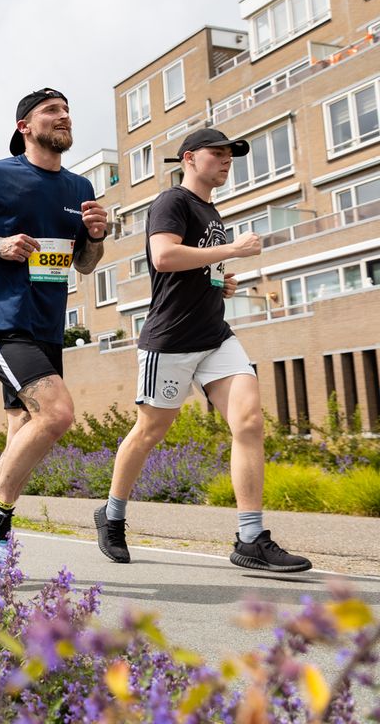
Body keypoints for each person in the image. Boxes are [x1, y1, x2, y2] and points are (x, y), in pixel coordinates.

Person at [94, 128, 311, 573]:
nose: (227, 160)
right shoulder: (171, 202)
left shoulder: (211, 210)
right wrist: (232, 249)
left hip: (215, 335)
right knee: (150, 432)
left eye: (231, 154)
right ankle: (112, 516)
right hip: (171, 340)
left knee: (249, 422)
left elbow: (196, 266)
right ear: (189, 158)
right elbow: (164, 258)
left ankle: (250, 538)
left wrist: (220, 279)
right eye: (218, 153)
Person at [0, 87, 108, 572]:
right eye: (52, 111)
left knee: (23, 430)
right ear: (24, 127)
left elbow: (87, 265)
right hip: (2, 319)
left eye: (68, 110)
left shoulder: (80, 189)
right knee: (57, 414)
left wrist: (96, 236)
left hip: (48, 325)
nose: (64, 116)